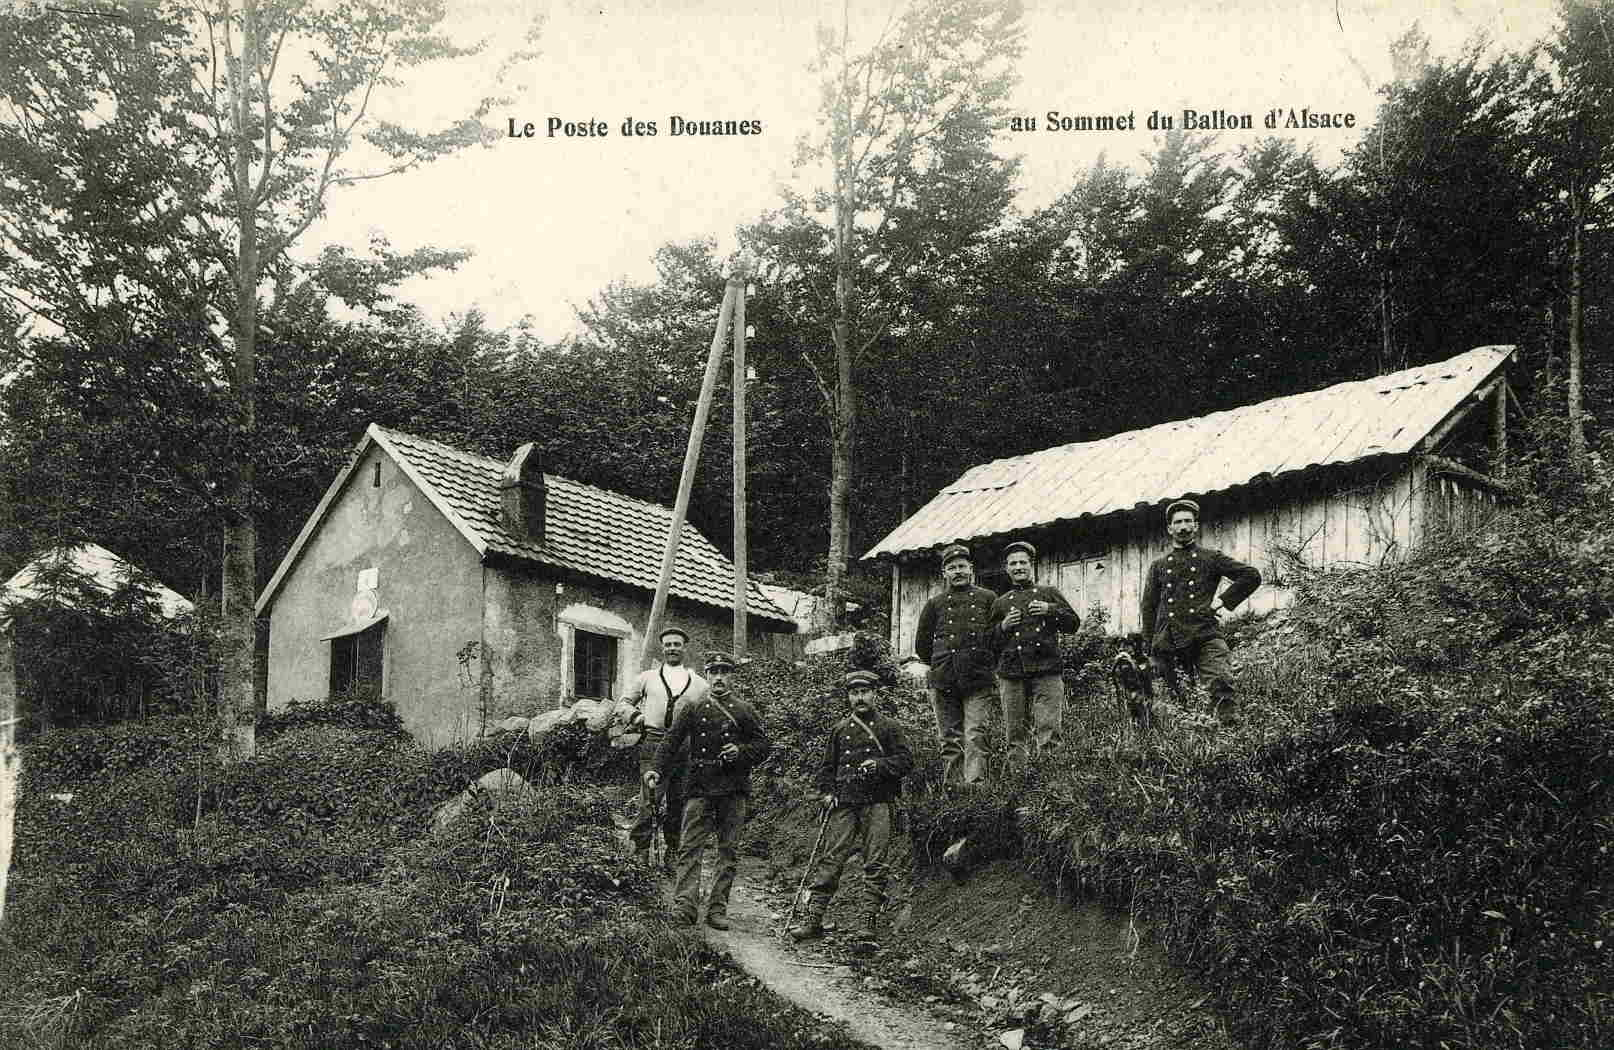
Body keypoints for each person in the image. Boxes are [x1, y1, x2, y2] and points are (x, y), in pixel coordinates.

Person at [647, 651, 771, 930]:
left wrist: (740, 751)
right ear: (707, 675)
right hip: (699, 786)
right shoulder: (693, 707)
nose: (719, 678)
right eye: (713, 672)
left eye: (725, 672)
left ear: (732, 677)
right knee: (690, 847)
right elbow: (671, 740)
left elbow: (764, 746)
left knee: (728, 850)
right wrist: (656, 768)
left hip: (733, 788)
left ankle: (717, 909)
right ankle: (685, 907)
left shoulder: (744, 710)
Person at [789, 669, 914, 943]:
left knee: (876, 862)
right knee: (831, 859)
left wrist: (880, 765)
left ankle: (867, 922)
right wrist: (827, 792)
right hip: (844, 803)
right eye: (854, 693)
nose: (859, 698)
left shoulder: (889, 727)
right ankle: (813, 919)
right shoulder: (839, 730)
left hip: (877, 802)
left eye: (864, 692)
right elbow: (826, 769)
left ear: (875, 694)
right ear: (848, 696)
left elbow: (906, 761)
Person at [1139, 499, 1262, 724]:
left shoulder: (1210, 557)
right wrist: (1148, 645)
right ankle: (1189, 747)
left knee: (1220, 683)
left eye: (1188, 521)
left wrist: (1222, 602)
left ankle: (1228, 737)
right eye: (1178, 522)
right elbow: (1148, 607)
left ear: (1196, 526)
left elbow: (1251, 575)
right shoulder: (1158, 565)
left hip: (1205, 633)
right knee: (1177, 698)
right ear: (1170, 529)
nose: (1183, 527)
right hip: (1169, 640)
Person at [615, 626, 707, 867]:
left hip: (684, 748)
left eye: (677, 644)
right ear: (662, 648)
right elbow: (623, 703)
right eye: (668, 644)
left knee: (679, 802)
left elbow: (708, 717)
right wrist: (635, 716)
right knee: (650, 799)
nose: (672, 648)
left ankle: (673, 852)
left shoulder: (699, 684)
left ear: (684, 648)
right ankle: (640, 849)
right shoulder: (647, 678)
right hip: (654, 742)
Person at [911, 543, 998, 786]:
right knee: (949, 738)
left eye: (961, 566)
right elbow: (922, 645)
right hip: (944, 679)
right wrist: (941, 664)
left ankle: (976, 788)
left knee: (975, 733)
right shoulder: (935, 604)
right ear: (944, 573)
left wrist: (984, 661)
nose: (957, 571)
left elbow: (998, 637)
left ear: (971, 568)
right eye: (952, 567)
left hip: (978, 678)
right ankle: (952, 790)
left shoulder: (988, 598)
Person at [989, 541, 1080, 763]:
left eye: (1023, 562)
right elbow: (988, 642)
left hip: (1047, 669)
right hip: (1011, 673)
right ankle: (1019, 781)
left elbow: (1073, 624)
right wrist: (1003, 627)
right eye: (1013, 563)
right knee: (1015, 732)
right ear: (1006, 568)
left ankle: (1050, 781)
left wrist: (1051, 610)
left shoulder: (1048, 593)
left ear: (1032, 565)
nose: (1018, 567)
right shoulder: (1001, 603)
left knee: (1049, 730)